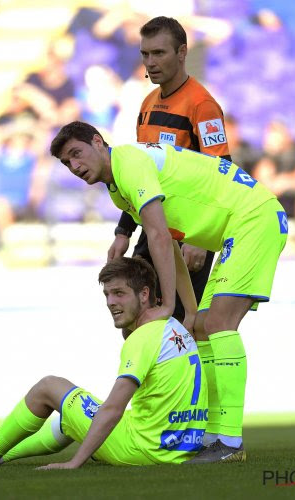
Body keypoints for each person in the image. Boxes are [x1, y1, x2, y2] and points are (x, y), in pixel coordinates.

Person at [50, 121, 288, 463]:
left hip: (253, 217)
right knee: (204, 325)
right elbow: (172, 242)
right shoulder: (119, 185)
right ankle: (212, 435)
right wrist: (188, 311)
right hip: (238, 226)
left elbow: (159, 237)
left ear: (99, 143)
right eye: (66, 163)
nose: (74, 166)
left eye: (77, 153)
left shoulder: (129, 164)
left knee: (220, 323)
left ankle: (230, 442)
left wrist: (166, 305)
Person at [0, 256, 208, 468]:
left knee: (49, 387)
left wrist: (74, 462)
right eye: (107, 295)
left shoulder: (143, 338)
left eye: (119, 293)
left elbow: (114, 409)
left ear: (145, 294)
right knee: (70, 417)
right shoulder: (173, 326)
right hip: (178, 448)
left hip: (144, 449)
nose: (110, 303)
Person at [108, 16, 232, 446]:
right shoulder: (146, 103)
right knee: (140, 323)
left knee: (182, 329)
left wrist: (200, 238)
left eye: (159, 53)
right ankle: (152, 416)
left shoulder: (202, 105)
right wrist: (124, 229)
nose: (150, 62)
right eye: (145, 54)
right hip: (151, 231)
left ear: (182, 52)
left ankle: (193, 427)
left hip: (187, 236)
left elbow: (223, 171)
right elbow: (138, 173)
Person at [252, 118, 295, 250]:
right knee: (260, 199)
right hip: (275, 200)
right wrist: (269, 155)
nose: (273, 137)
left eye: (277, 133)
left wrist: (283, 181)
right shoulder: (266, 155)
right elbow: (261, 182)